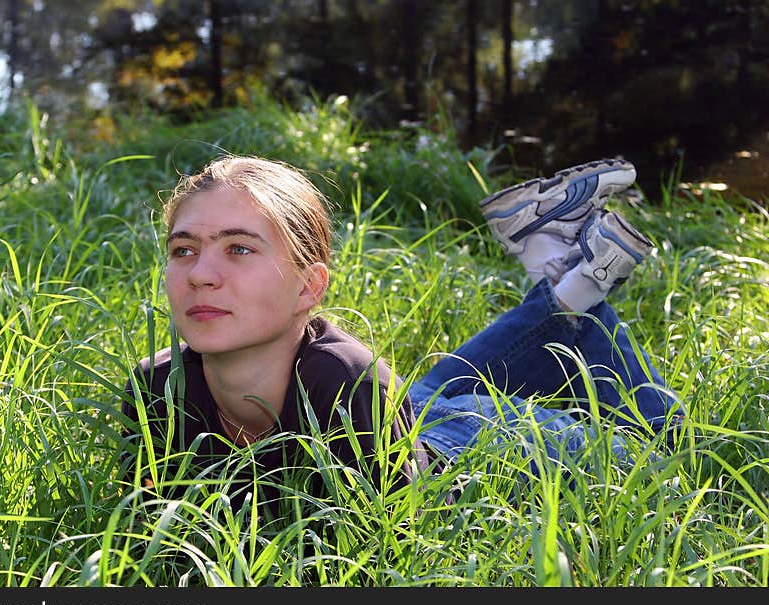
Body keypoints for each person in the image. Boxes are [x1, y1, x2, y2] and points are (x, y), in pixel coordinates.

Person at [120, 155, 683, 518]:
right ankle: (562, 275)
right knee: (416, 399)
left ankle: (574, 283)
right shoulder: (156, 390)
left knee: (664, 453)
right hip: (405, 414)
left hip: (483, 447)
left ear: (307, 288)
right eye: (183, 249)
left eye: (239, 248)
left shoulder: (343, 380)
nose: (199, 274)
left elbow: (371, 555)